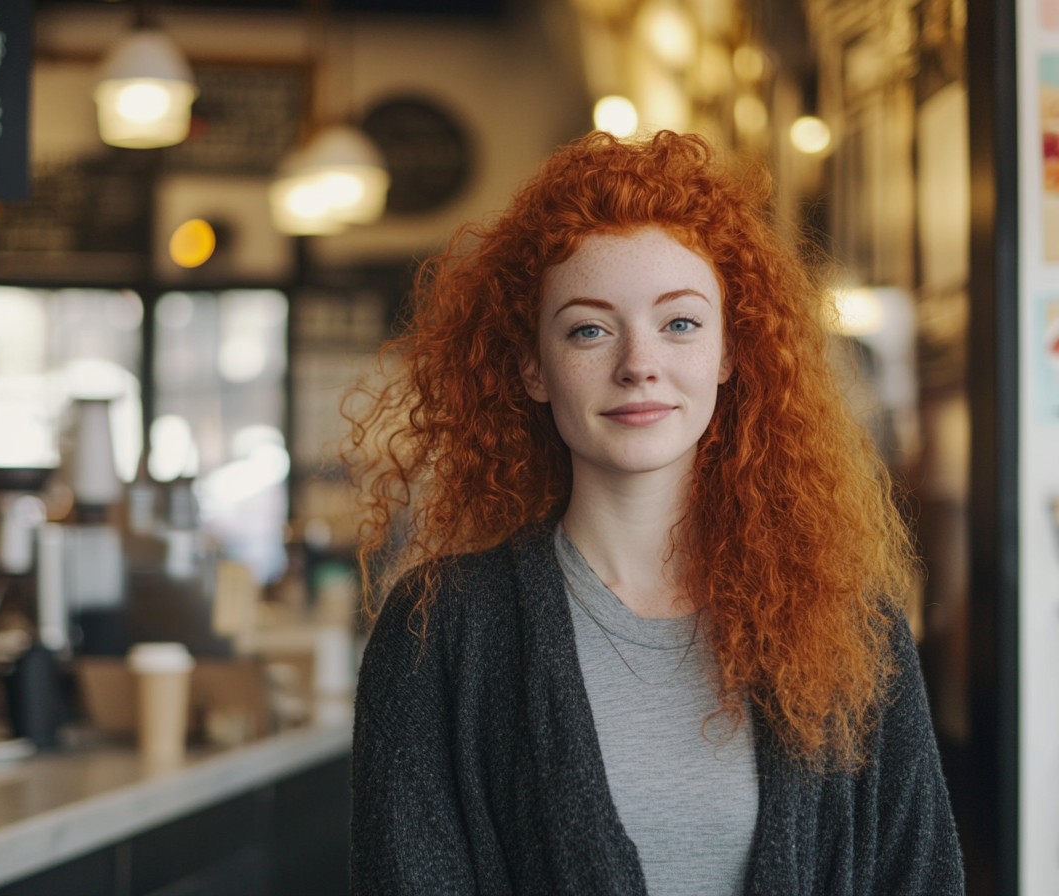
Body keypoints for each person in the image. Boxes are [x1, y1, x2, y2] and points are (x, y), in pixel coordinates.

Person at [345, 131, 965, 895]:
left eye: (680, 323)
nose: (639, 362)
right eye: (589, 329)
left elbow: (921, 877)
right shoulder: (440, 630)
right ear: (533, 367)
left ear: (730, 354)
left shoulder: (852, 626)